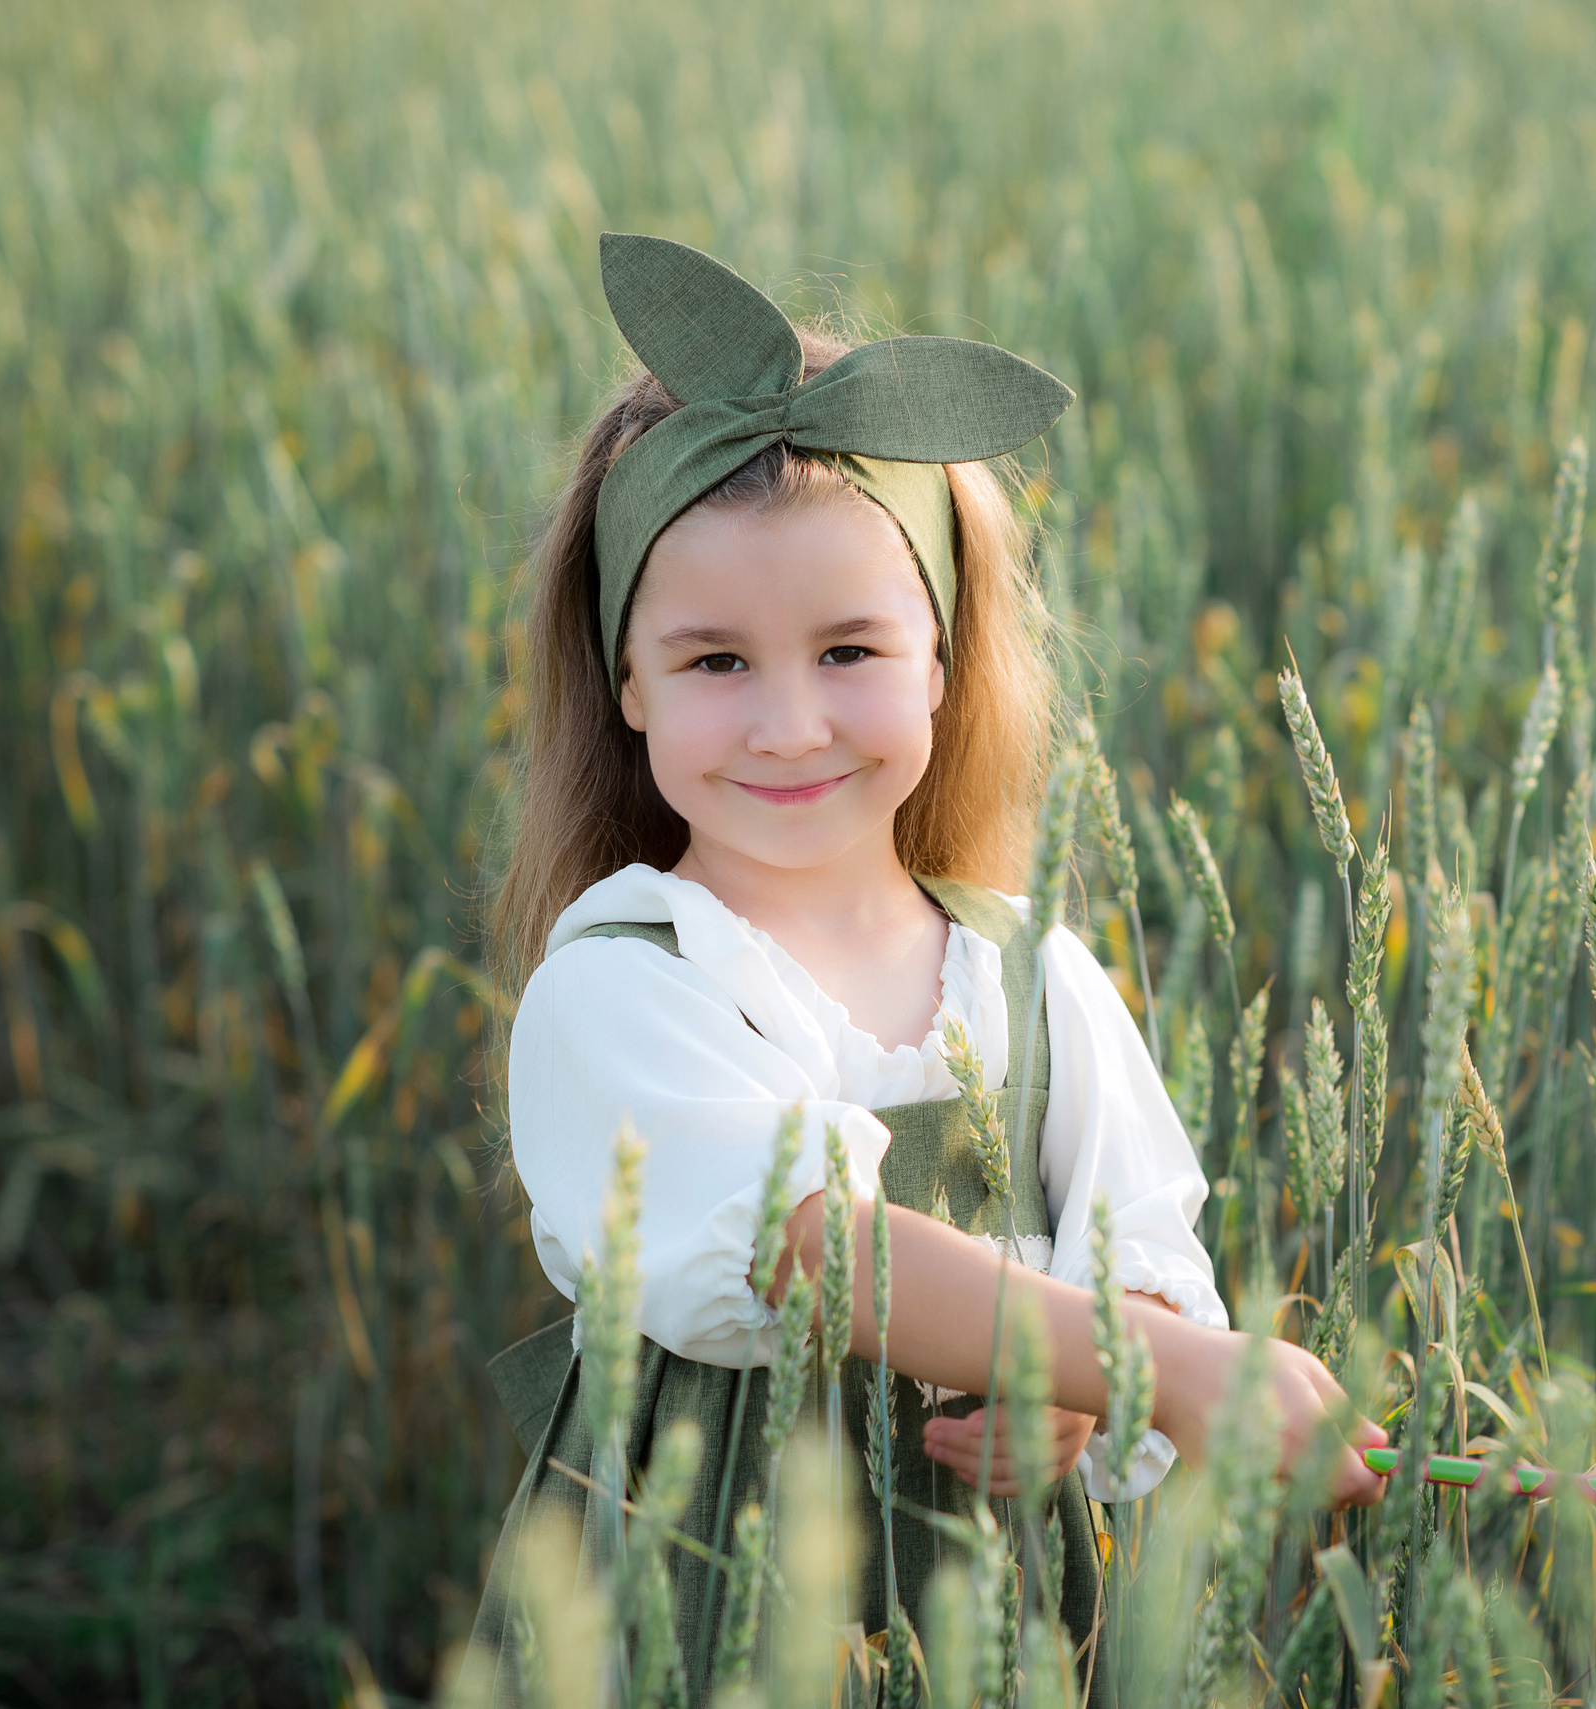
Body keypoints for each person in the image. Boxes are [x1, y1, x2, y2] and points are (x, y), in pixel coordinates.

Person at [466, 233, 1385, 1702]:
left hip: (991, 1614)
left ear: (944, 662)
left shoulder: (1030, 972)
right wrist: (1161, 1371)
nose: (790, 725)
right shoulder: (624, 980)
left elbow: (1136, 1250)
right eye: (714, 661)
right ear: (626, 679)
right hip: (706, 1615)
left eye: (851, 651)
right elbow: (808, 1245)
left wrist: (1087, 1389)